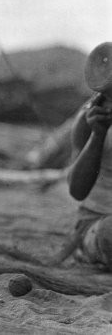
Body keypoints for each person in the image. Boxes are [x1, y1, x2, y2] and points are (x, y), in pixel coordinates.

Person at [66, 42, 112, 270]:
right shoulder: (89, 118)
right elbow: (77, 190)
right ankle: (86, 250)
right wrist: (98, 134)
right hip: (98, 222)